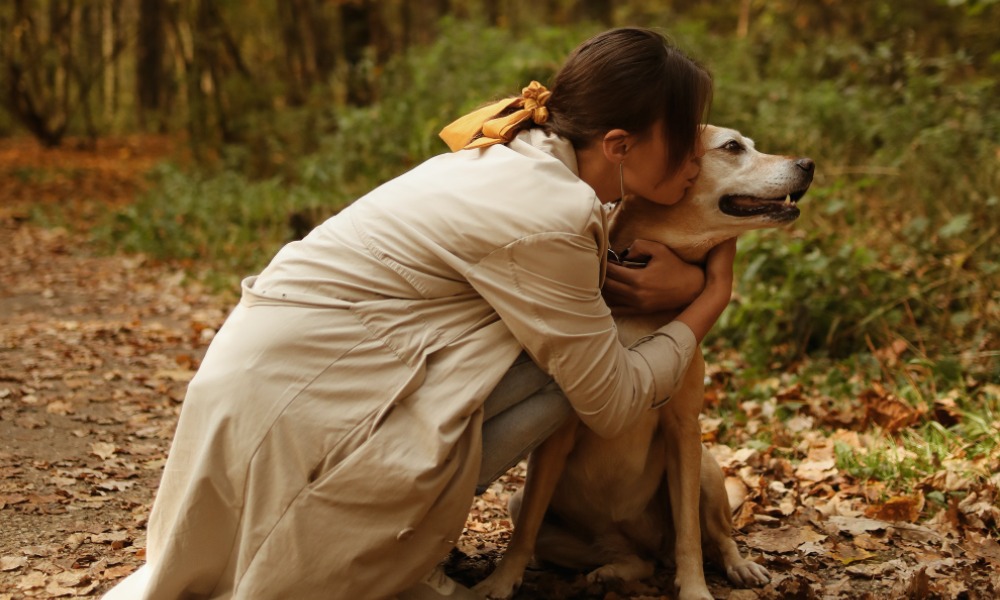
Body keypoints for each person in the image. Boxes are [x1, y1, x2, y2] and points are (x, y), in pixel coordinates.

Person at [101, 26, 734, 600]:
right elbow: (614, 399)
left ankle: (399, 530)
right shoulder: (553, 213)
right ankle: (381, 539)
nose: (696, 160)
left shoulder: (519, 157)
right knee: (577, 372)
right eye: (686, 141)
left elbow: (582, 268)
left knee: (568, 349)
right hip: (306, 413)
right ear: (619, 144)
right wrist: (709, 296)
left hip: (268, 384)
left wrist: (671, 277)